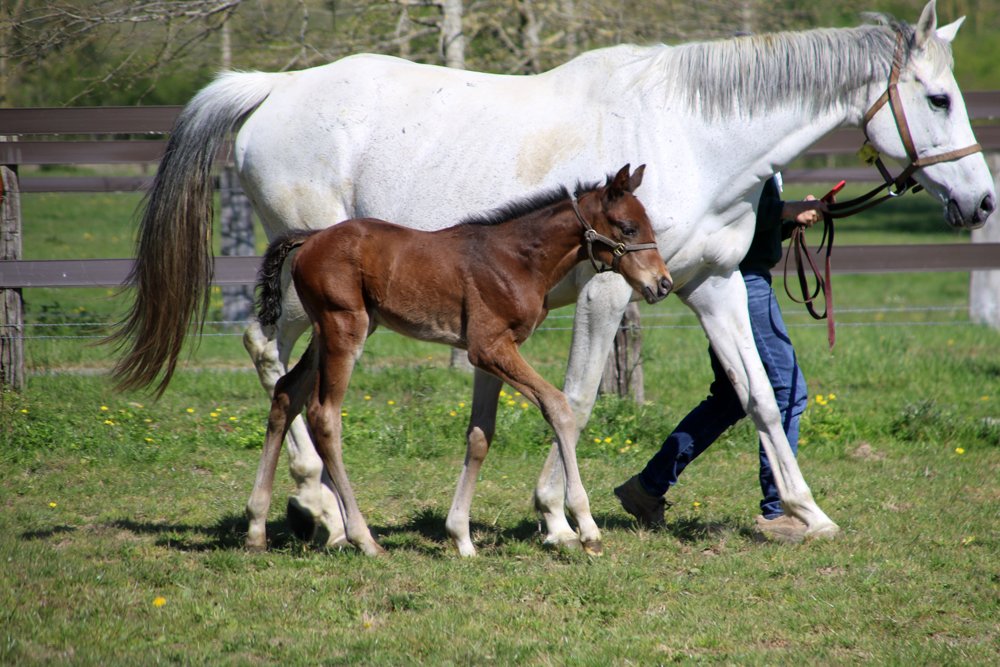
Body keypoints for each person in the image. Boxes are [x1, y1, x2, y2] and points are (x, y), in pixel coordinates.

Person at [615, 174, 828, 543]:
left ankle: (647, 488)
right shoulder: (755, 152)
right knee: (786, 391)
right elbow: (731, 206)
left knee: (730, 398)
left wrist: (787, 219)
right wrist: (785, 210)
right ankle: (780, 510)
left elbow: (746, 226)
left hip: (738, 273)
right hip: (741, 280)